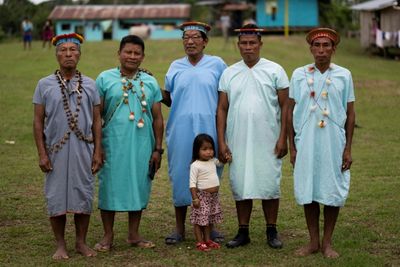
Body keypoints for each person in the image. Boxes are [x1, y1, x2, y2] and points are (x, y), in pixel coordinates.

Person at [217, 24, 289, 249]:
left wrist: (283, 138)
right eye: (244, 44)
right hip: (238, 138)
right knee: (241, 183)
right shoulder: (229, 72)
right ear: (238, 46)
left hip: (268, 138)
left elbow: (286, 107)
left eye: (252, 43)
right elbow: (222, 109)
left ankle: (271, 231)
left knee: (269, 184)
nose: (248, 48)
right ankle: (243, 231)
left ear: (260, 44)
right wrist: (221, 140)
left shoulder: (275, 70)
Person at [33, 33, 102, 260]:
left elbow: (97, 121)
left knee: (83, 193)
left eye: (73, 50)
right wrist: (42, 154)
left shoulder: (91, 85)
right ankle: (60, 245)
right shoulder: (44, 84)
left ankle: (81, 243)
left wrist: (98, 151)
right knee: (56, 196)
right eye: (63, 50)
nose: (68, 54)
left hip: (84, 149)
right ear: (57, 55)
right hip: (56, 150)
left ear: (79, 55)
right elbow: (37, 121)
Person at [287, 28, 355, 258]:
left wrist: (347, 148)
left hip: (333, 141)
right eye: (317, 46)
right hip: (305, 140)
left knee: (331, 188)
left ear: (334, 49)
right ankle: (313, 242)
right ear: (311, 49)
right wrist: (292, 147)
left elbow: (350, 112)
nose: (321, 50)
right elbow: (289, 110)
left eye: (326, 46)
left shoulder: (344, 75)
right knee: (309, 188)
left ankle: (327, 243)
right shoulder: (299, 74)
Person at [94, 35, 164, 251]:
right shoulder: (105, 79)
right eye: (128, 52)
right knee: (109, 187)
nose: (132, 56)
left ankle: (134, 235)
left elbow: (158, 118)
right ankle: (108, 235)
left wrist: (158, 149)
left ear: (143, 57)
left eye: (137, 53)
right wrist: (98, 148)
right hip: (112, 144)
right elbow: (96, 117)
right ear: (119, 53)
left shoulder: (150, 81)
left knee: (138, 185)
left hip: (143, 145)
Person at [162, 21, 227, 245]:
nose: (190, 41)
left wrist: (222, 137)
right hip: (180, 131)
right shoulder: (175, 66)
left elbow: (224, 100)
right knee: (181, 176)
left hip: (209, 129)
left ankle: (210, 226)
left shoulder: (217, 65)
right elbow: (169, 98)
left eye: (195, 37)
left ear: (205, 41)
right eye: (186, 38)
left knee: (209, 175)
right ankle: (180, 228)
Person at [189, 134, 229, 251]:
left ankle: (207, 240)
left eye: (211, 149)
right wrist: (195, 198)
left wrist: (226, 159)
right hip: (202, 197)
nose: (208, 152)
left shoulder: (213, 161)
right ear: (197, 150)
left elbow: (221, 163)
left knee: (208, 220)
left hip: (213, 197)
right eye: (204, 149)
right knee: (199, 220)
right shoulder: (195, 165)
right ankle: (199, 241)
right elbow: (192, 184)